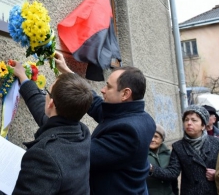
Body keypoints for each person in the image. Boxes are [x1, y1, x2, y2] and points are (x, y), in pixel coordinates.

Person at [0, 61, 93, 194]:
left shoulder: (45, 157)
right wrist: (23, 78)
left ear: (51, 103)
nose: (45, 96)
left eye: (47, 92)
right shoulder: (80, 132)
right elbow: (43, 112)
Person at [55, 52, 156, 195]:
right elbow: (94, 103)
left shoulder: (129, 131)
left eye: (108, 87)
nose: (102, 90)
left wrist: (52, 116)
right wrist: (67, 71)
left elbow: (80, 153)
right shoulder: (133, 115)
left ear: (125, 94)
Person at [150, 105, 219, 195]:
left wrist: (218, 175)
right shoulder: (178, 146)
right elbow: (172, 173)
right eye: (186, 120)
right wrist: (151, 168)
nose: (189, 123)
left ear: (203, 125)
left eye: (194, 120)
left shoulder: (217, 143)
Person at [146, 124, 178, 195]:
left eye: (156, 137)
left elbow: (173, 179)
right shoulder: (142, 155)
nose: (152, 139)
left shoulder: (169, 155)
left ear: (162, 139)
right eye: (150, 136)